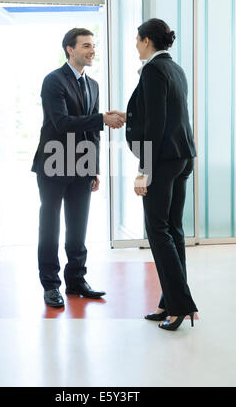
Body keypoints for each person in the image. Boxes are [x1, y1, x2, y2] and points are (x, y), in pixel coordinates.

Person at [113, 18, 198, 330]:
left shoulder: (152, 70)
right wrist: (130, 114)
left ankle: (179, 305)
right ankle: (170, 303)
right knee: (172, 230)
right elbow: (165, 113)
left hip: (163, 161)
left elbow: (158, 124)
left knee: (158, 231)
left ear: (146, 40)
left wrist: (143, 171)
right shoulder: (175, 68)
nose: (136, 46)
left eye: (137, 40)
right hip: (183, 157)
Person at [31, 27, 125, 307]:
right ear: (70, 50)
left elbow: (91, 134)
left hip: (82, 166)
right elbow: (62, 123)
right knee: (50, 228)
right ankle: (50, 285)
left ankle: (76, 280)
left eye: (93, 45)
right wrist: (101, 119)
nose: (92, 50)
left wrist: (94, 166)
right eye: (86, 45)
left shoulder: (93, 85)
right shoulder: (53, 81)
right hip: (53, 163)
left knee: (78, 227)